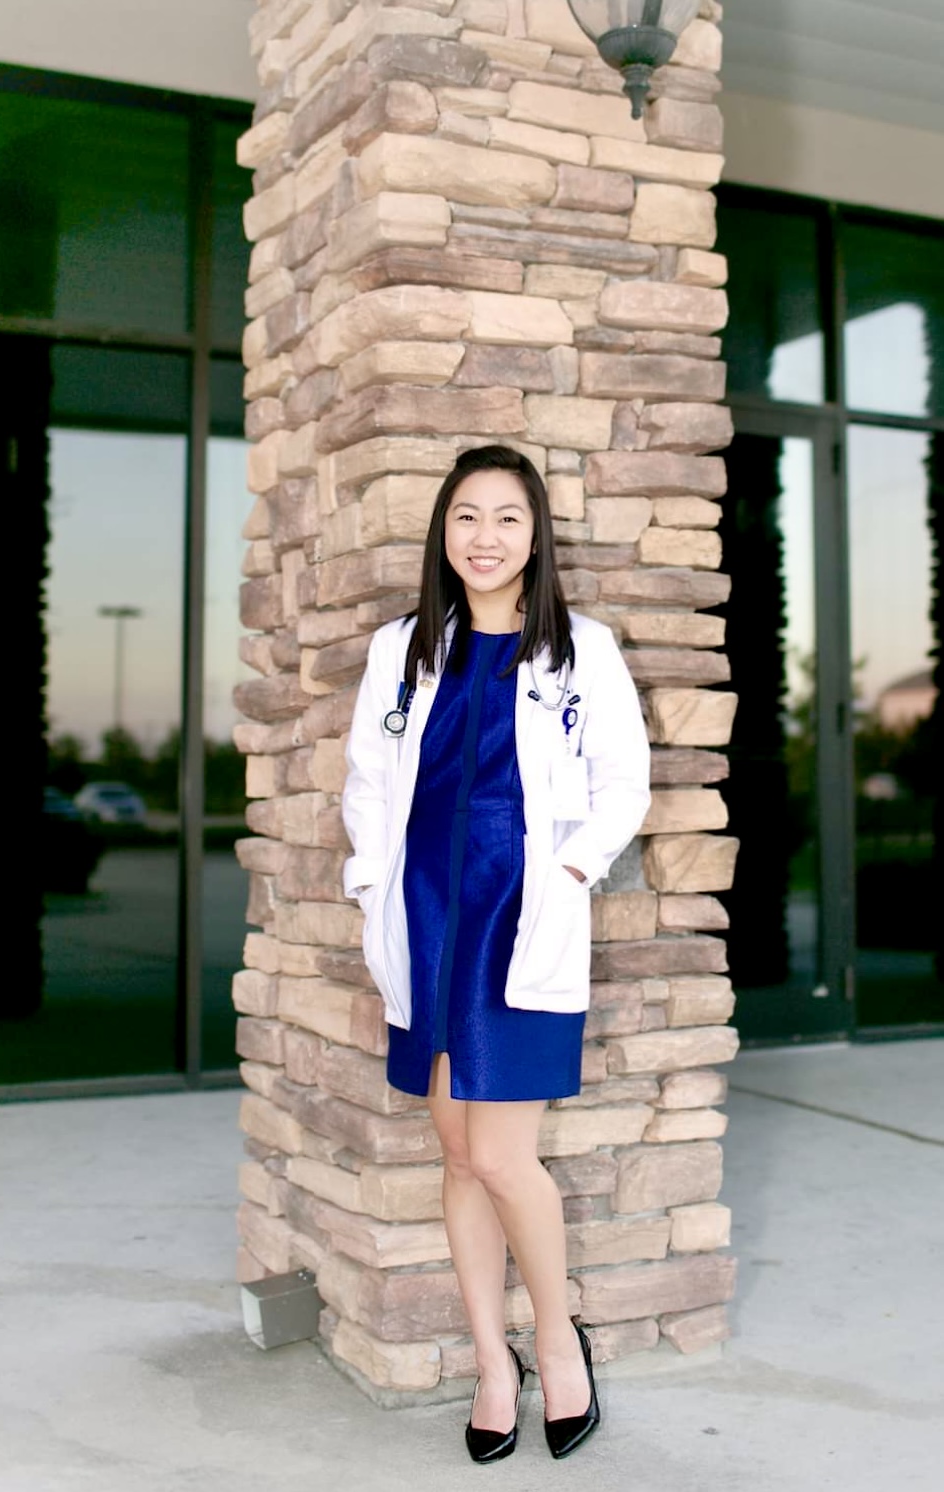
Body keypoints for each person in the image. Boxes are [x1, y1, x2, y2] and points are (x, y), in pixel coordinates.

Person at [341, 444, 651, 1462]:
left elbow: (622, 785)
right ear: (443, 531)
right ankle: (490, 1361)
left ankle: (557, 1346)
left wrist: (566, 875)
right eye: (465, 516)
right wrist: (365, 885)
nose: (483, 536)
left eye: (505, 518)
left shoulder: (579, 650)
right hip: (427, 913)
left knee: (498, 1153)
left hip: (521, 916)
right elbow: (368, 784)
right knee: (455, 1151)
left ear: (534, 535)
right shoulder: (402, 648)